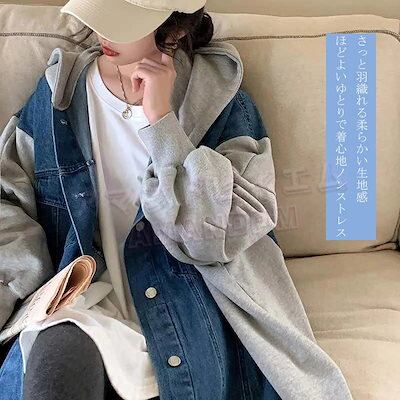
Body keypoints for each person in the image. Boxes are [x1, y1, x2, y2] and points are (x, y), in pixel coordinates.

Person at [0, 0, 354, 399]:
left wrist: (163, 125)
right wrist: (24, 279)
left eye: (122, 23)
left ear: (176, 28)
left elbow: (220, 237)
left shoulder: (222, 101)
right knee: (55, 359)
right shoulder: (58, 97)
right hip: (88, 305)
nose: (104, 33)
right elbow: (9, 196)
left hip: (193, 308)